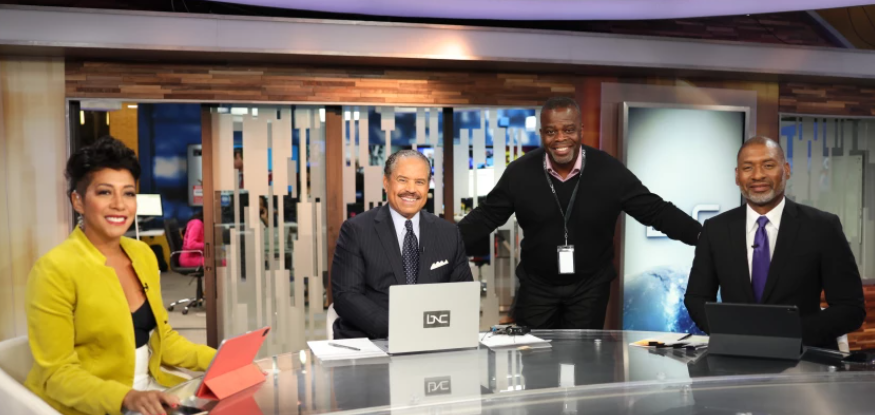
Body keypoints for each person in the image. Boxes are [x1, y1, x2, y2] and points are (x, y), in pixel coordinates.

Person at [458, 97, 701, 330]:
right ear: (541, 133)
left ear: (581, 130)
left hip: (590, 288)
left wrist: (702, 236)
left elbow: (654, 210)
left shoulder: (609, 171)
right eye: (551, 131)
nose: (560, 138)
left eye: (569, 130)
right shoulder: (519, 173)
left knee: (581, 355)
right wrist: (444, 243)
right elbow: (486, 216)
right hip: (537, 287)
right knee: (534, 354)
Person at [24, 136, 217, 415]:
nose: (119, 204)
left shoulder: (142, 254)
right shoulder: (53, 270)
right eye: (104, 192)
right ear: (78, 201)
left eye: (128, 193)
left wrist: (221, 359)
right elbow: (57, 374)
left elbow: (165, 341)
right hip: (93, 404)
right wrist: (127, 397)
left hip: (150, 392)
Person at [684, 136, 865, 349]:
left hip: (805, 358)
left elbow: (850, 308)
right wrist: (728, 332)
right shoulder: (715, 229)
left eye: (768, 165)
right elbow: (696, 298)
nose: (758, 175)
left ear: (786, 170)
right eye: (748, 168)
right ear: (737, 176)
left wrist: (789, 334)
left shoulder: (822, 227)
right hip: (736, 356)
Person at [331, 150, 474, 339]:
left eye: (419, 182)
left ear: (428, 186)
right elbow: (346, 296)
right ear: (386, 182)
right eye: (403, 180)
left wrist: (433, 328)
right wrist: (403, 328)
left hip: (434, 338)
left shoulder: (448, 233)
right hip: (372, 339)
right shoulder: (356, 230)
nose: (411, 189)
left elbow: (463, 294)